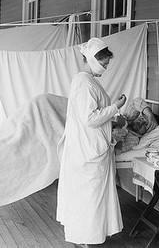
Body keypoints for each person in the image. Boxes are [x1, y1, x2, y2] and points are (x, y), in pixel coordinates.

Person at [56, 37, 126, 245]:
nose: (105, 68)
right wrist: (116, 107)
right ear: (94, 60)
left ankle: (86, 236)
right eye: (104, 64)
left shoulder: (86, 81)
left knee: (87, 196)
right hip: (88, 149)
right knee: (89, 197)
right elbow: (90, 119)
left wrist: (112, 120)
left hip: (86, 146)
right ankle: (86, 237)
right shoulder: (85, 83)